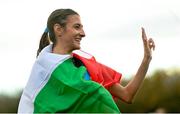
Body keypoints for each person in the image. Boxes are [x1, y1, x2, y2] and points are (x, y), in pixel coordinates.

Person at [18, 8, 155, 113]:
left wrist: (146, 60)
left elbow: (127, 95)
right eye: (77, 27)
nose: (83, 33)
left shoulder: (89, 65)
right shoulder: (42, 74)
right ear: (58, 29)